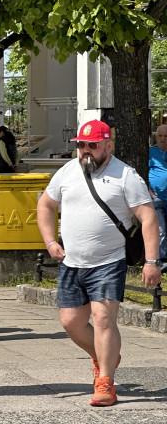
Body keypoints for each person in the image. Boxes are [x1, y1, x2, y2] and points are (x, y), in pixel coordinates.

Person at [37, 120, 162, 407]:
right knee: (70, 322)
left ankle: (105, 382)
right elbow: (45, 205)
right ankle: (106, 355)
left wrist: (152, 261)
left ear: (108, 145)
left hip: (108, 261)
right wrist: (49, 242)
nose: (85, 151)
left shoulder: (126, 176)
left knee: (104, 319)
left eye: (92, 145)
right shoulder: (68, 172)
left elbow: (148, 219)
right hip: (72, 261)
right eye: (81, 145)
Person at [149, 124, 167, 265]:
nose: (163, 139)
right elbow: (141, 176)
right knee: (160, 230)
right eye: (160, 136)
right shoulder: (150, 153)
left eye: (166, 136)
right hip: (157, 198)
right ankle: (162, 261)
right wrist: (152, 195)